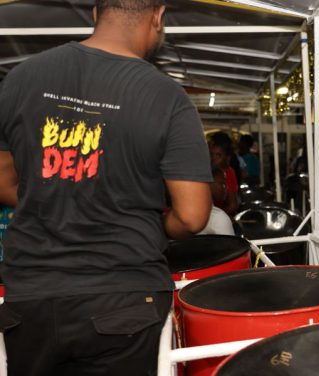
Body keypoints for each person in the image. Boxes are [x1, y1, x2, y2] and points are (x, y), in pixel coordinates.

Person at [0, 1, 213, 375]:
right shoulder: (167, 98)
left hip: (33, 295)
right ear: (158, 16)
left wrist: (58, 200)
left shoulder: (20, 78)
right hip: (124, 295)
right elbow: (193, 216)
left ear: (96, 13)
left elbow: (3, 180)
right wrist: (159, 225)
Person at [210, 142, 239, 216]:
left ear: (227, 157)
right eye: (211, 154)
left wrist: (215, 216)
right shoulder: (209, 170)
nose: (213, 158)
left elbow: (233, 205)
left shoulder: (228, 173)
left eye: (218, 155)